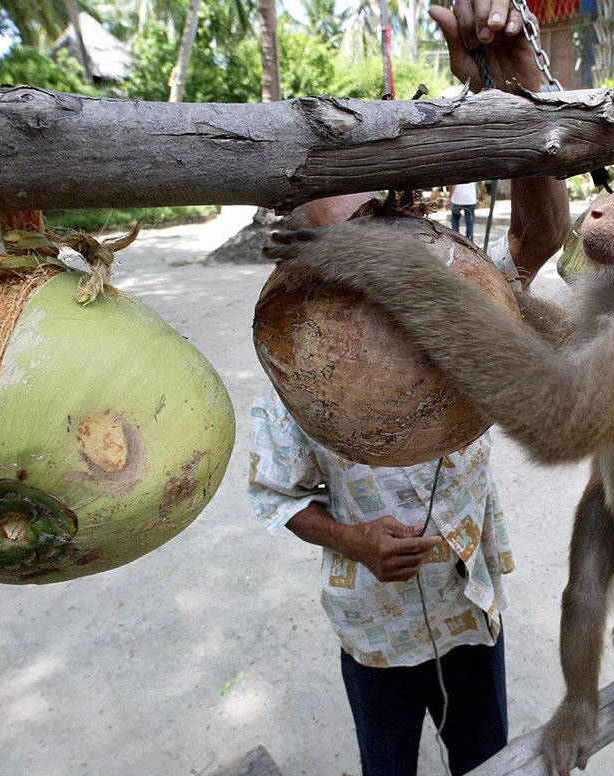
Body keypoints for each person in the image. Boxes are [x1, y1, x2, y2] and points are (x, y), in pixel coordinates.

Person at [248, 3, 569, 774]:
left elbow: (539, 238)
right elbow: (275, 494)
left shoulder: (460, 293)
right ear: (308, 267)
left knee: (483, 760)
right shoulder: (297, 359)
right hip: (374, 628)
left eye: (387, 218)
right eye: (351, 241)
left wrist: (514, 84)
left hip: (470, 609)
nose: (381, 246)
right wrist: (353, 540)